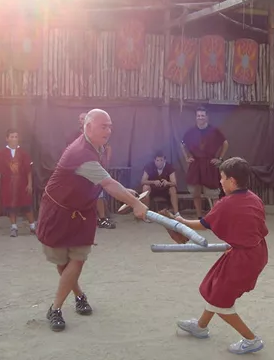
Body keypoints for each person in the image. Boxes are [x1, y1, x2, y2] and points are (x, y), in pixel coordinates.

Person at [38, 109, 148, 332]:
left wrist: (125, 192)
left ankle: (55, 309)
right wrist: (136, 204)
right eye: (103, 126)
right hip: (58, 212)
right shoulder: (80, 152)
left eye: (110, 126)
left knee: (77, 259)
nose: (108, 130)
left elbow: (100, 179)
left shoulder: (99, 147)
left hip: (82, 212)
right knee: (63, 263)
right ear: (88, 127)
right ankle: (79, 295)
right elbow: (107, 184)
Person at [174, 157, 269, 354]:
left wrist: (181, 221)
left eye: (223, 178)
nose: (220, 181)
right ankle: (201, 327)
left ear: (232, 181)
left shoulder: (227, 203)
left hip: (244, 258)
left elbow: (203, 225)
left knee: (221, 300)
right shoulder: (253, 198)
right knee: (216, 288)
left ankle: (251, 339)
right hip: (255, 252)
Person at [67, 112, 116, 229]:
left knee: (98, 193)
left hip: (95, 168)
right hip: (80, 171)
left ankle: (102, 219)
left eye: (84, 118)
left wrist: (105, 162)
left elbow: (107, 148)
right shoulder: (76, 137)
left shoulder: (97, 135)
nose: (82, 120)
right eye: (80, 118)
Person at [181, 106, 228, 218]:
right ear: (196, 117)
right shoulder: (190, 132)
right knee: (196, 193)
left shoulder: (214, 131)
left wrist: (220, 159)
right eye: (198, 116)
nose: (200, 118)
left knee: (213, 193)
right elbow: (182, 144)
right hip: (196, 164)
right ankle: (199, 216)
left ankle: (216, 217)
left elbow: (225, 143)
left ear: (207, 117)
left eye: (202, 115)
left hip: (209, 164)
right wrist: (187, 157)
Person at [0, 129, 36, 237]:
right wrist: (3, 171)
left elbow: (28, 169)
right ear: (7, 138)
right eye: (12, 137)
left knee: (26, 205)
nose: (14, 139)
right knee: (11, 206)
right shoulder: (2, 153)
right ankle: (14, 227)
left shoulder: (23, 153)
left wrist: (30, 184)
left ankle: (33, 226)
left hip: (22, 182)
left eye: (16, 137)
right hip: (8, 183)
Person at [140, 151, 180, 215]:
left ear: (165, 160)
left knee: (173, 189)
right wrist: (153, 182)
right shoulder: (149, 166)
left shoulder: (169, 167)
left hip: (165, 190)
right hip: (153, 190)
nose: (159, 163)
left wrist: (167, 183)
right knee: (145, 187)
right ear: (154, 160)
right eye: (157, 160)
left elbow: (174, 183)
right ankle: (146, 213)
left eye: (161, 160)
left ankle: (177, 214)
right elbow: (143, 181)